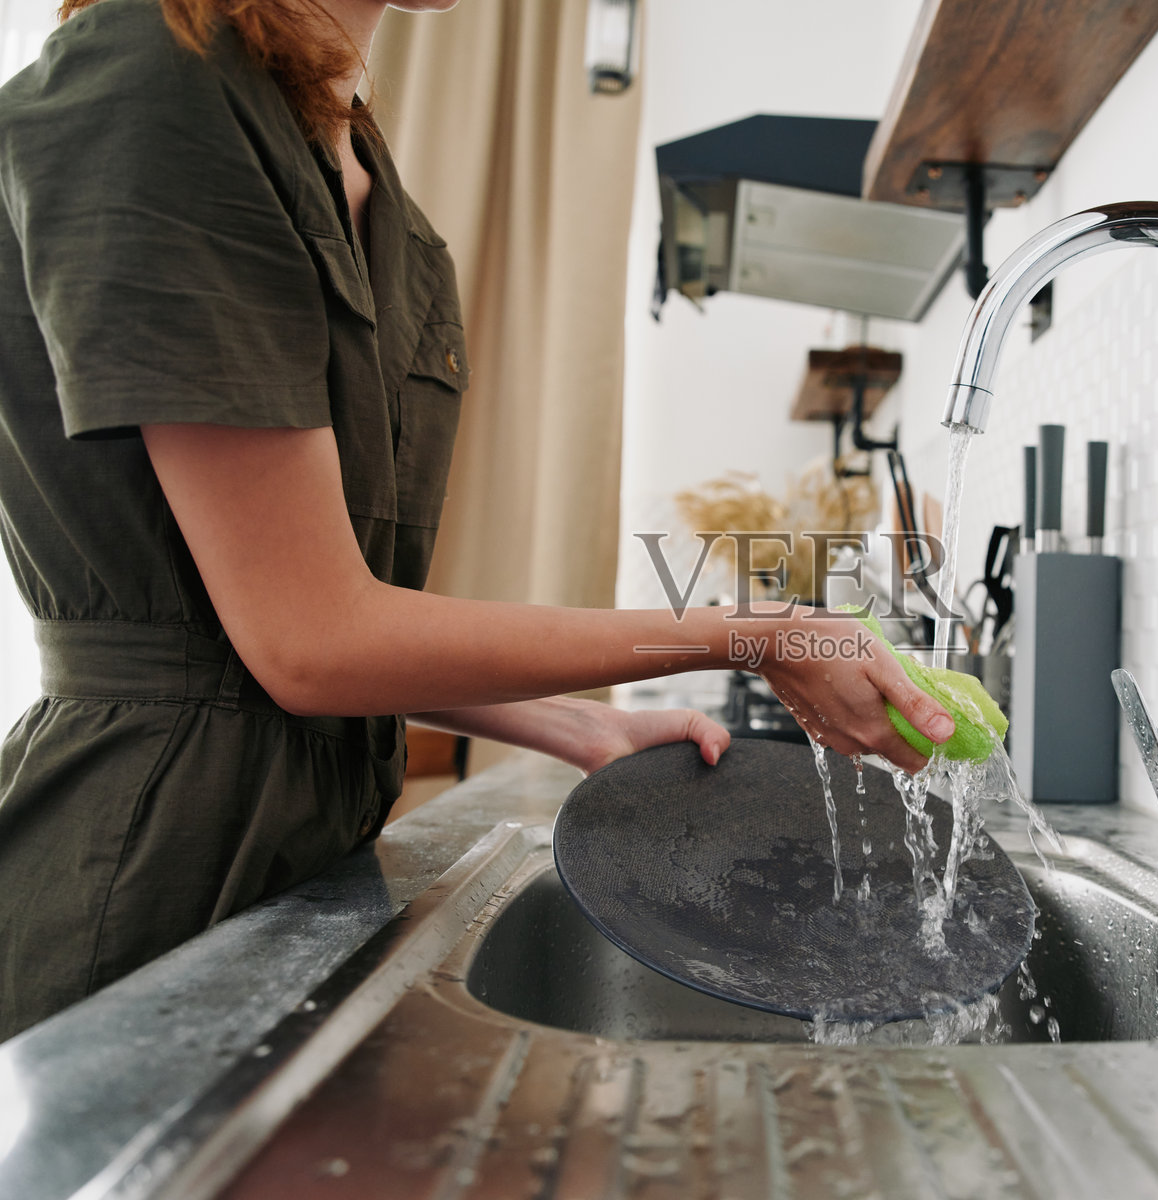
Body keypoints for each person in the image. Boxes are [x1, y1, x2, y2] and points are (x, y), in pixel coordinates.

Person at [0, 0, 953, 1041]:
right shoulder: (158, 78)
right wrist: (753, 632)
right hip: (145, 870)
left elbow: (312, 614)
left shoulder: (369, 182)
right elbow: (307, 641)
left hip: (307, 861)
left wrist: (572, 722)